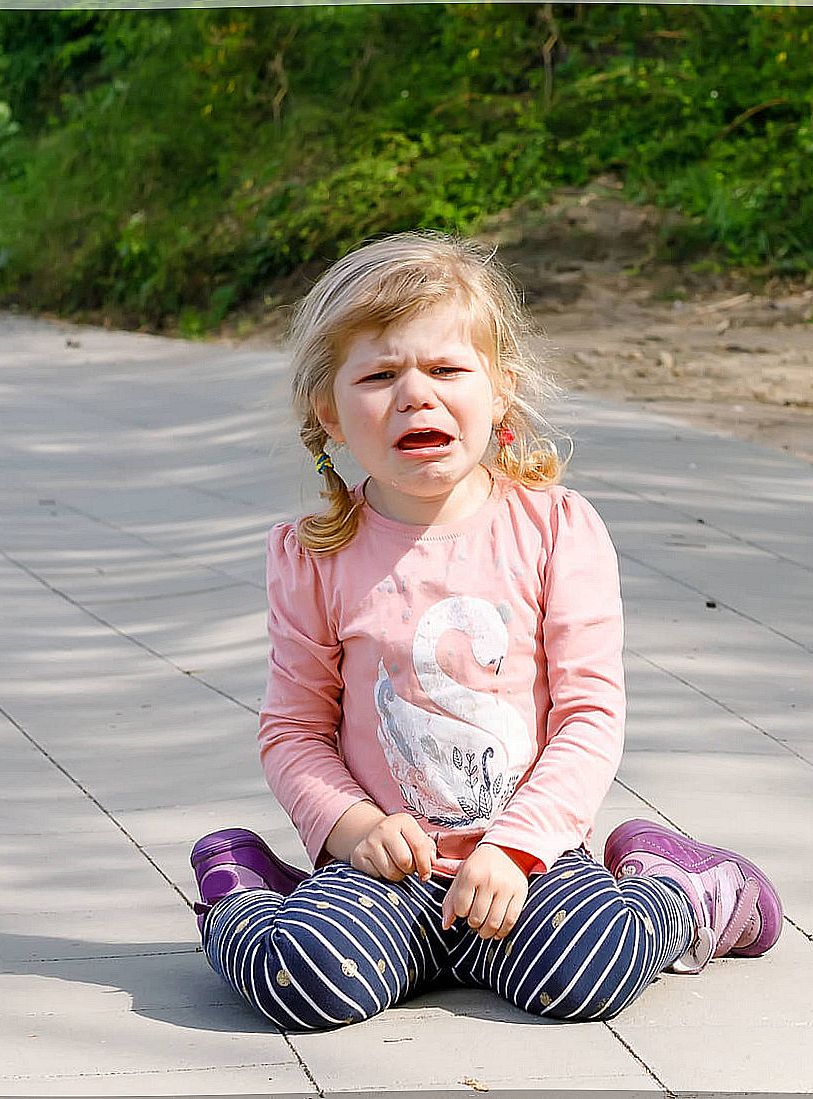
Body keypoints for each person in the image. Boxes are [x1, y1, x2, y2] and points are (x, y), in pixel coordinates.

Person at [190, 231, 782, 1030]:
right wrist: (353, 827)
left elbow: (589, 716)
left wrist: (515, 847)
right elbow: (294, 729)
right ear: (329, 410)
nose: (415, 395)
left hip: (526, 862)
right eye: (378, 375)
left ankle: (681, 891)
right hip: (385, 869)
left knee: (589, 970)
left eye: (446, 369)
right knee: (307, 982)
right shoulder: (314, 557)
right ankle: (253, 896)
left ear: (500, 389)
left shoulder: (556, 530)